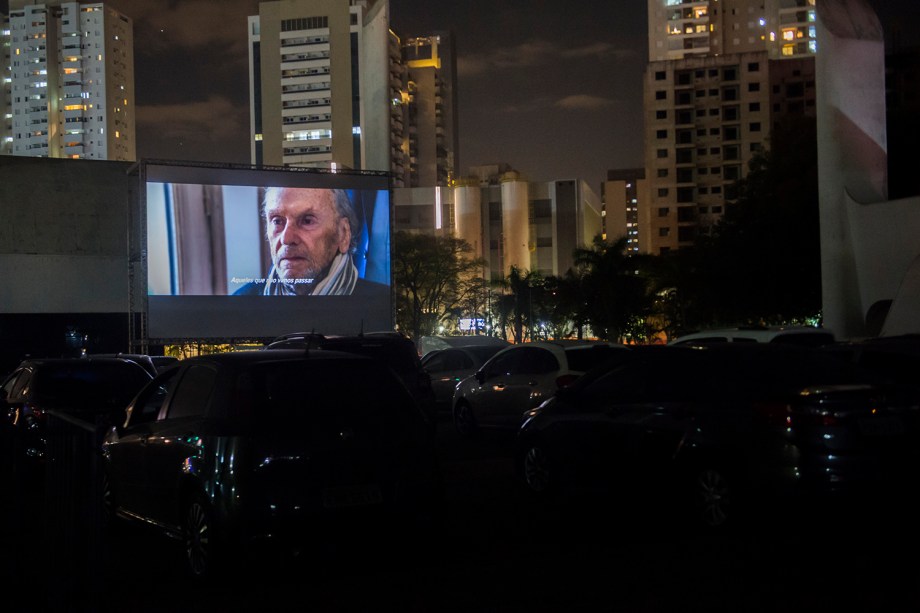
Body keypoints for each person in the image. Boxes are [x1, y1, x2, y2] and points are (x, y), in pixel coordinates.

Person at [233, 187, 387, 297]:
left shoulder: (379, 303)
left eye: (307, 221)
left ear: (343, 234)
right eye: (278, 221)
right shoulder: (240, 302)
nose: (287, 239)